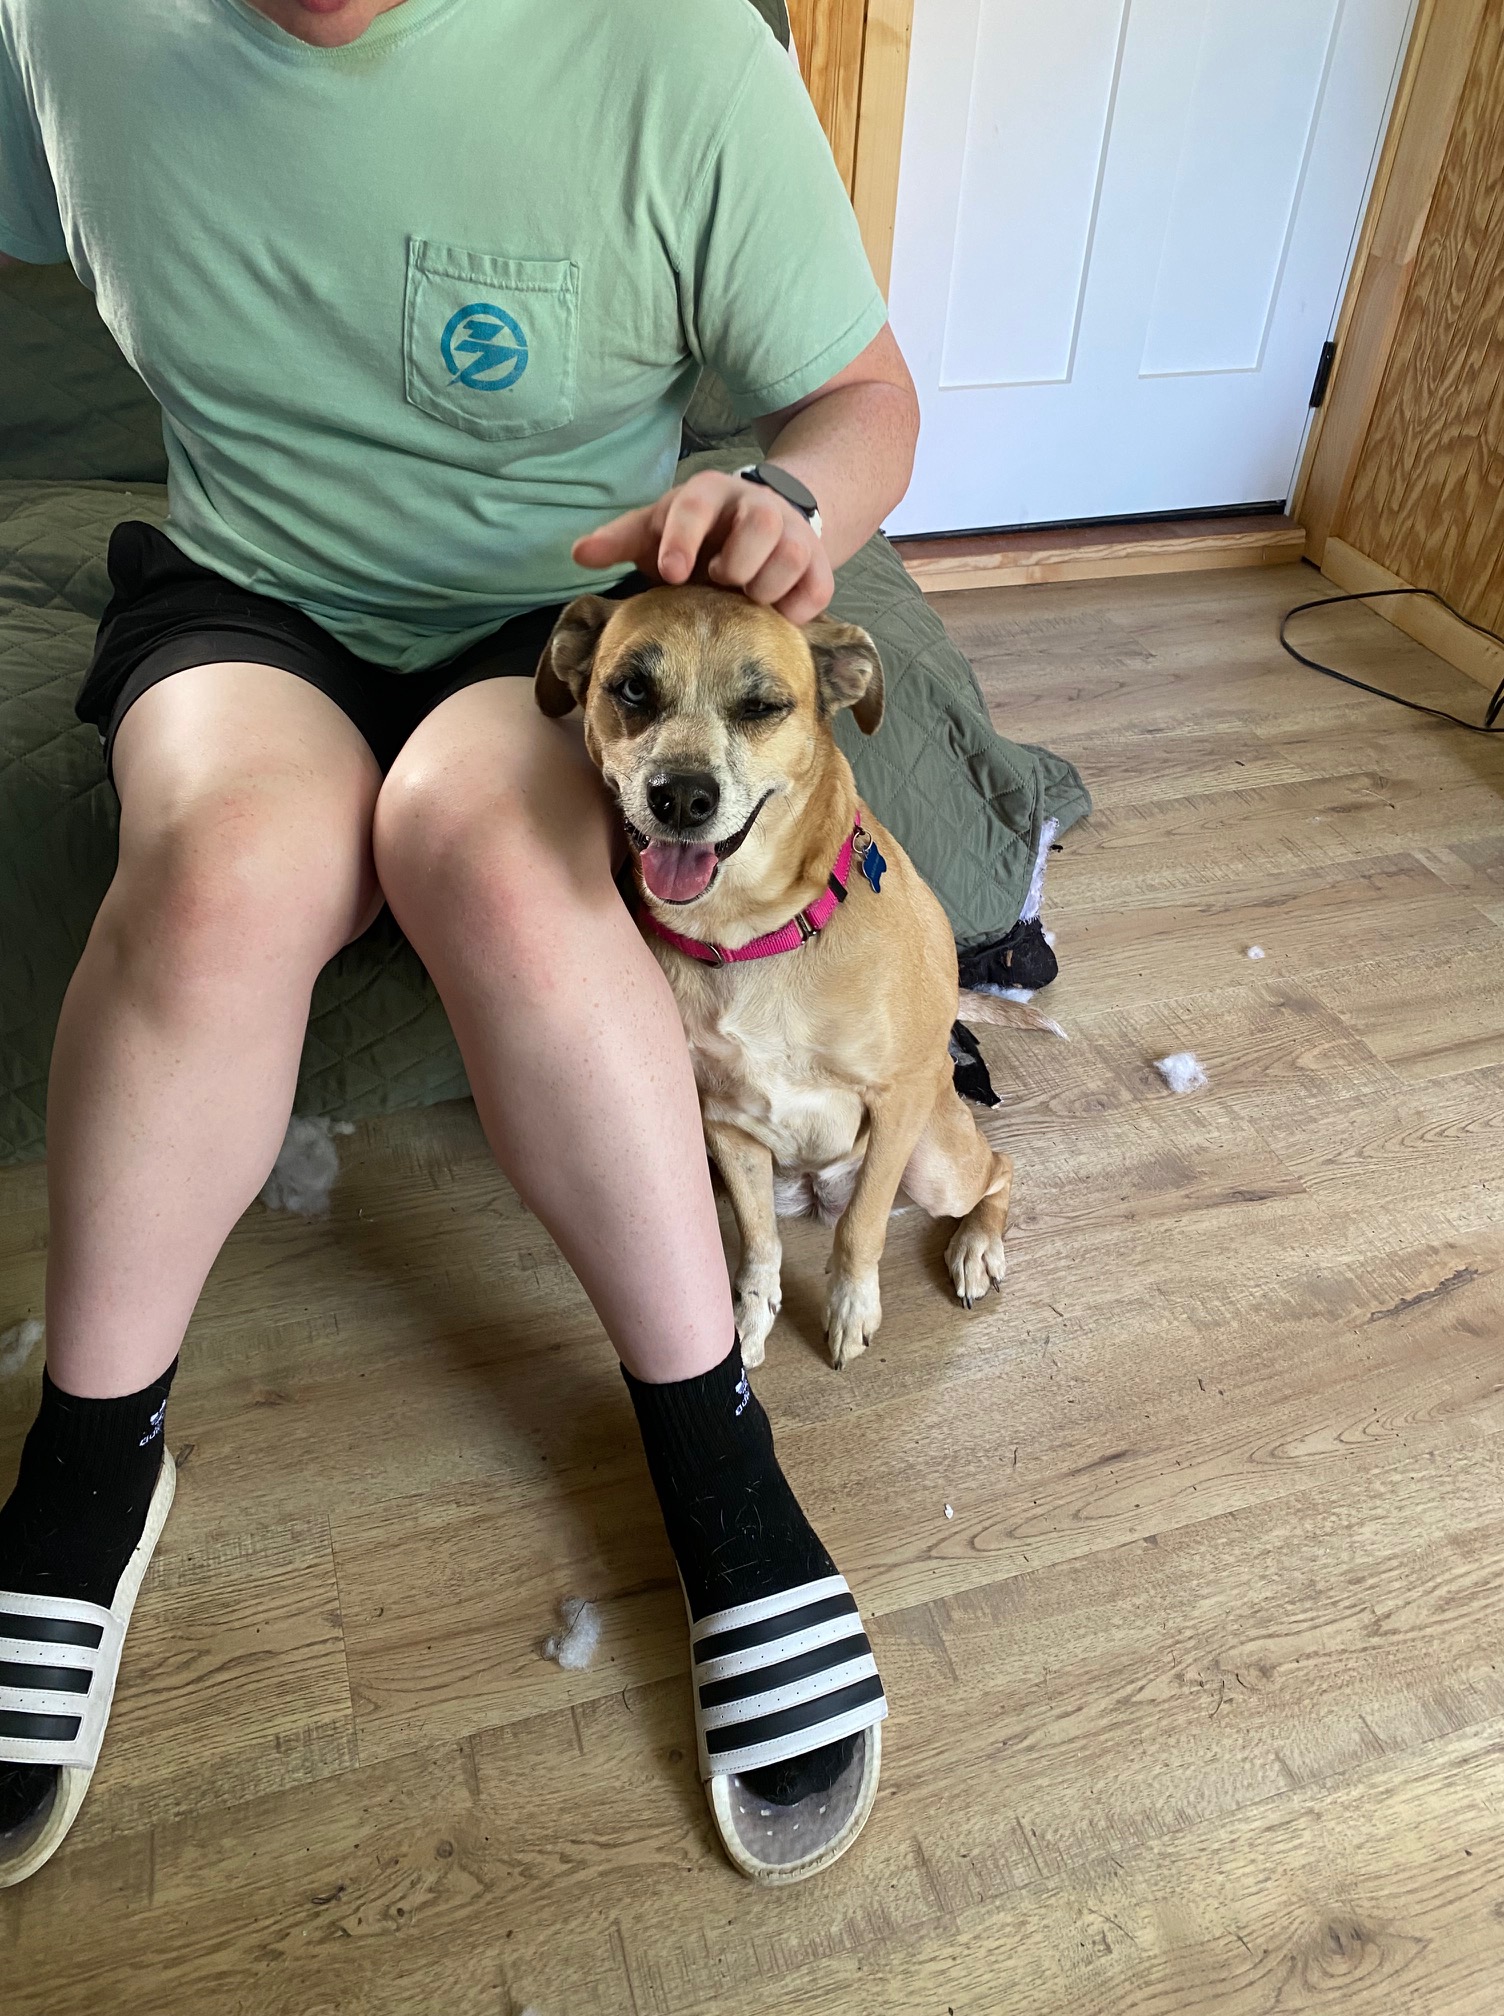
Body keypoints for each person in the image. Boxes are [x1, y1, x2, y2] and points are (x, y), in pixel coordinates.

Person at [0, 0, 919, 1881]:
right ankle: (88, 1469)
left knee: (500, 868)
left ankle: (716, 1452)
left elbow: (864, 397)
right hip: (247, 591)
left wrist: (788, 498)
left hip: (553, 621)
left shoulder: (675, 52)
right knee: (218, 874)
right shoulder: (58, 20)